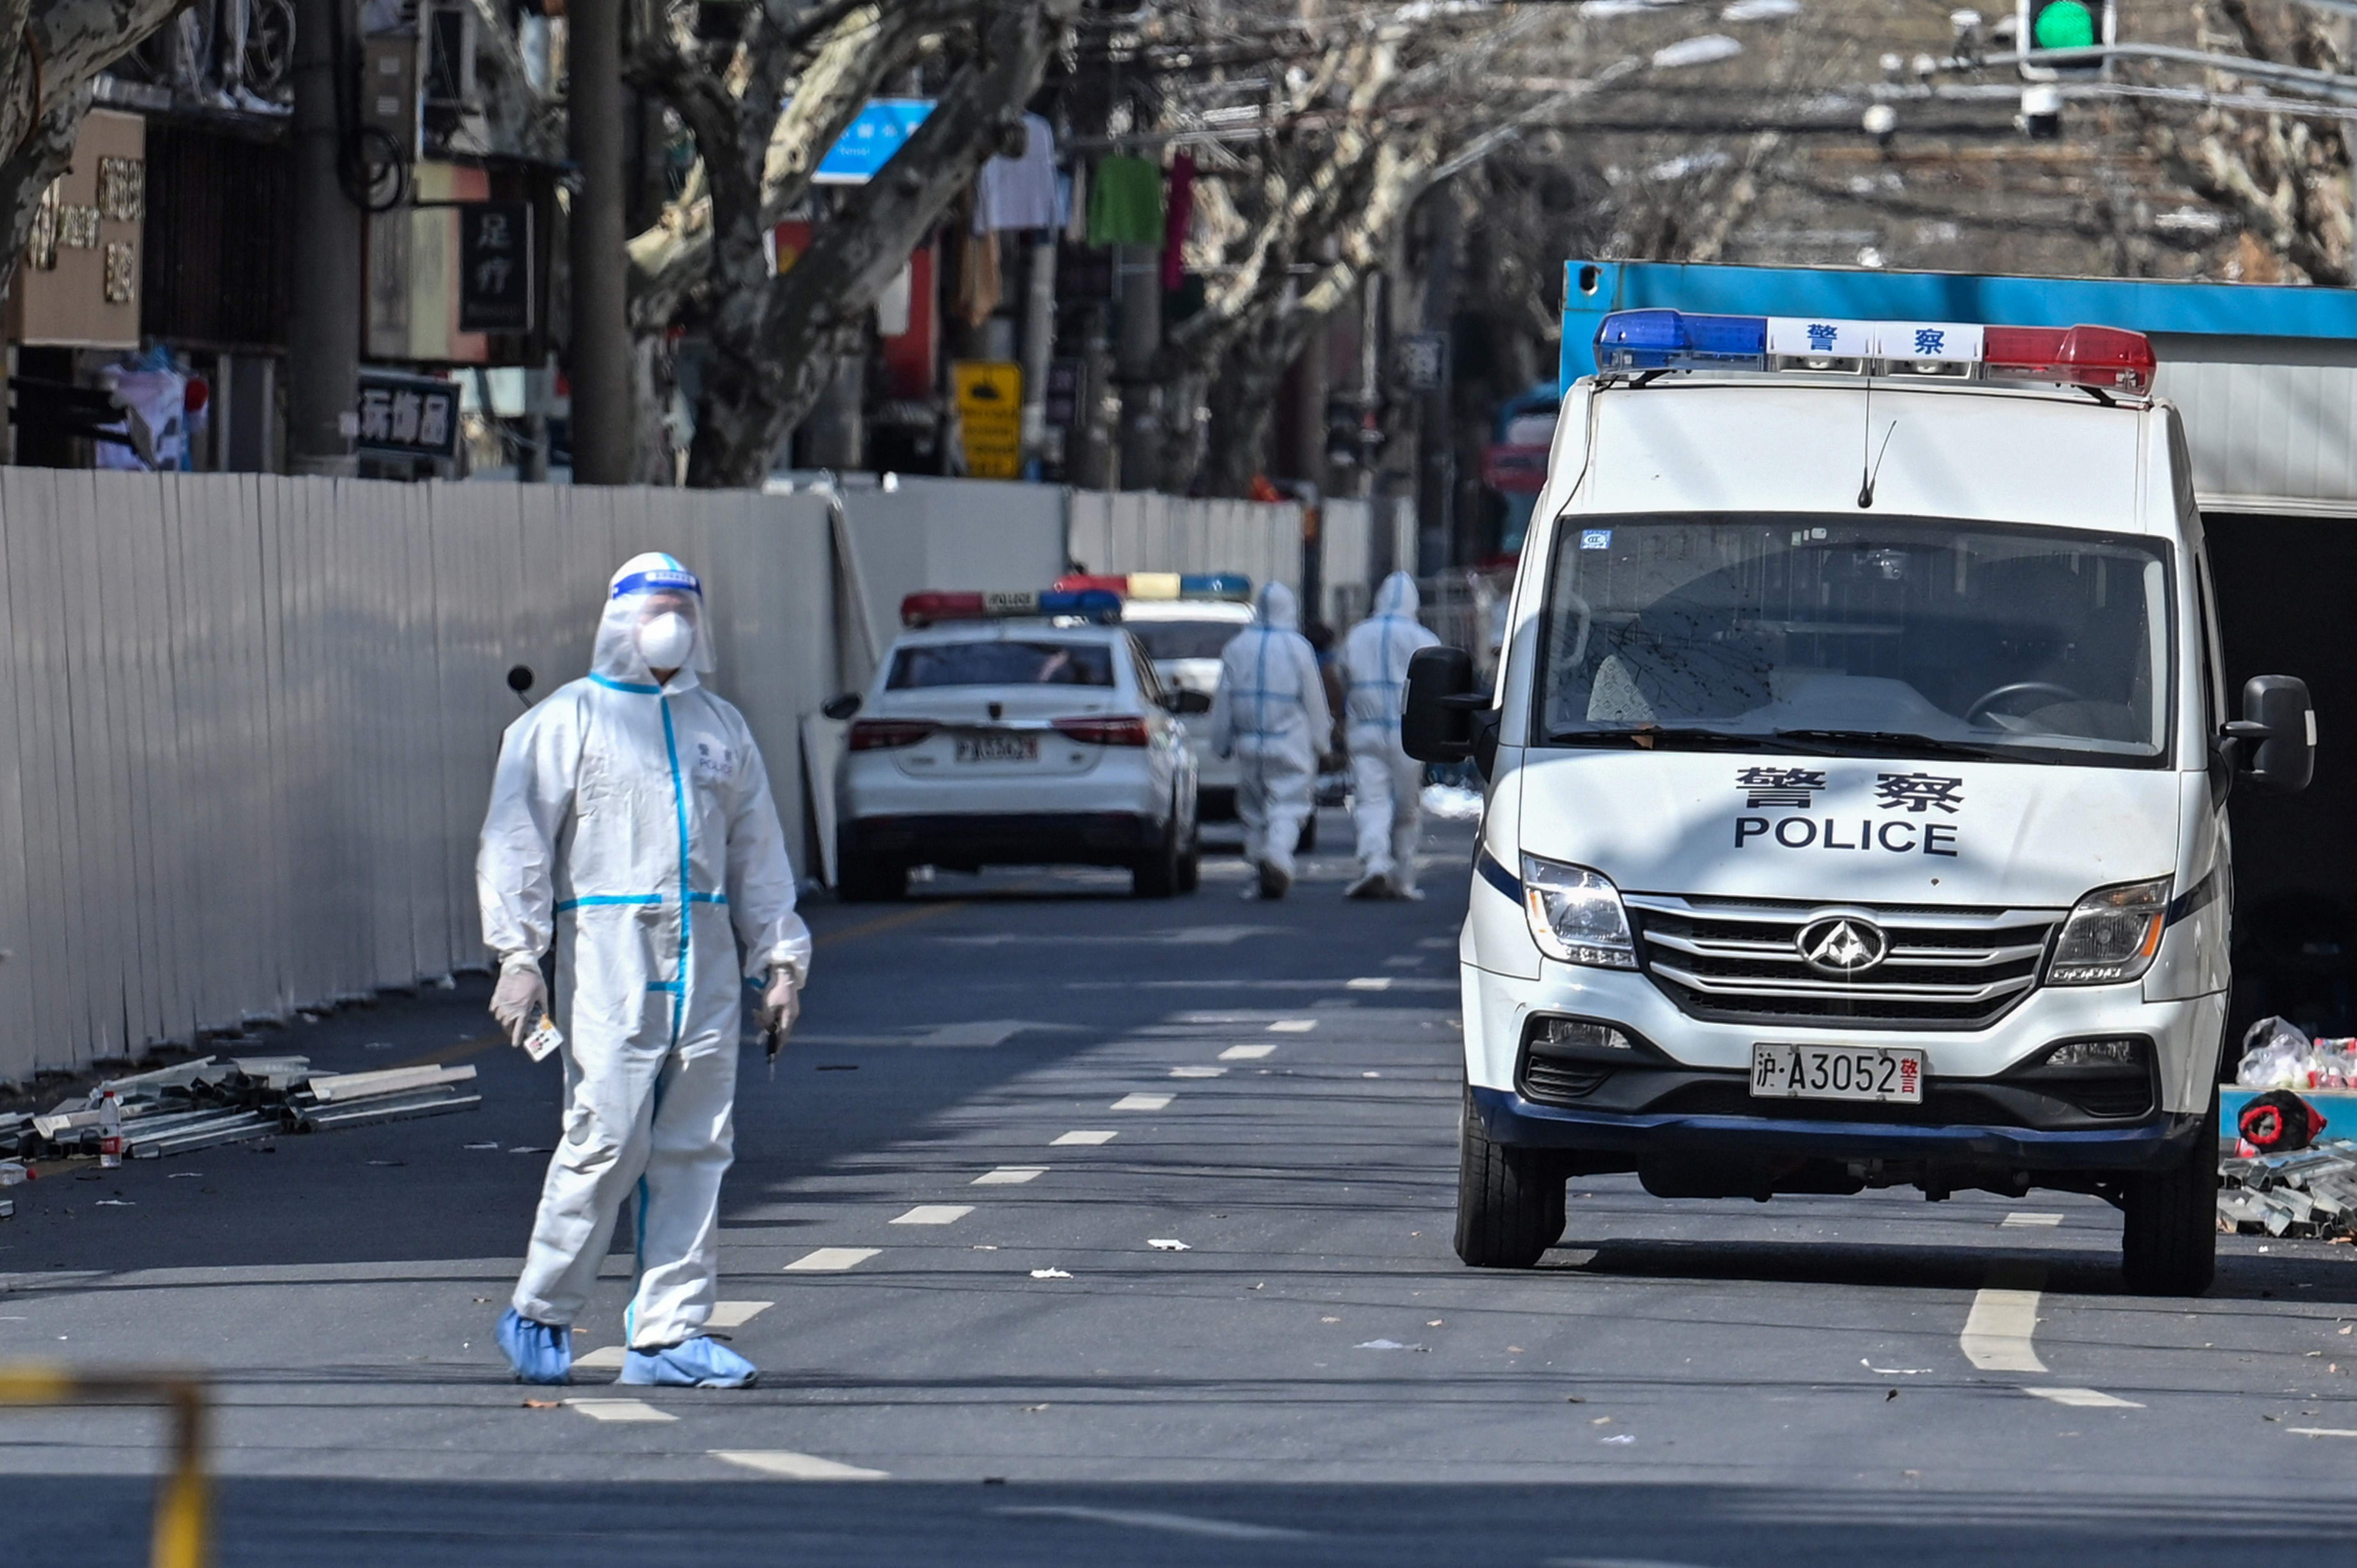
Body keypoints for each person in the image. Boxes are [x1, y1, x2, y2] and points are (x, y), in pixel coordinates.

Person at [478, 553, 811, 1390]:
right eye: (656, 607)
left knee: (697, 1145)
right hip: (609, 952)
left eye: (684, 608)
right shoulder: (566, 720)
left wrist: (780, 959)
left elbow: (758, 851)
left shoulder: (720, 727)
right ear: (619, 620)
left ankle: (669, 1334)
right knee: (607, 1135)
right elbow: (515, 841)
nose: (672, 623)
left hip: (705, 956)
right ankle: (540, 1309)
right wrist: (518, 955)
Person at [1209, 581, 1330, 900]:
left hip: (1249, 745)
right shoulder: (1298, 648)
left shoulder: (1237, 648)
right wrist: (1323, 742)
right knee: (1288, 807)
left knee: (1253, 811)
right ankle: (1277, 856)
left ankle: (1259, 868)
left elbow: (1224, 702)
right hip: (1289, 743)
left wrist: (1220, 743)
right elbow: (1314, 701)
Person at [1341, 571, 1440, 900]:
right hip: (1407, 736)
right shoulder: (1424, 639)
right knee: (1407, 807)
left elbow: (1343, 676)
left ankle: (1374, 862)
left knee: (1371, 801)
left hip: (1365, 732)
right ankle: (1403, 877)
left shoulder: (1358, 636)